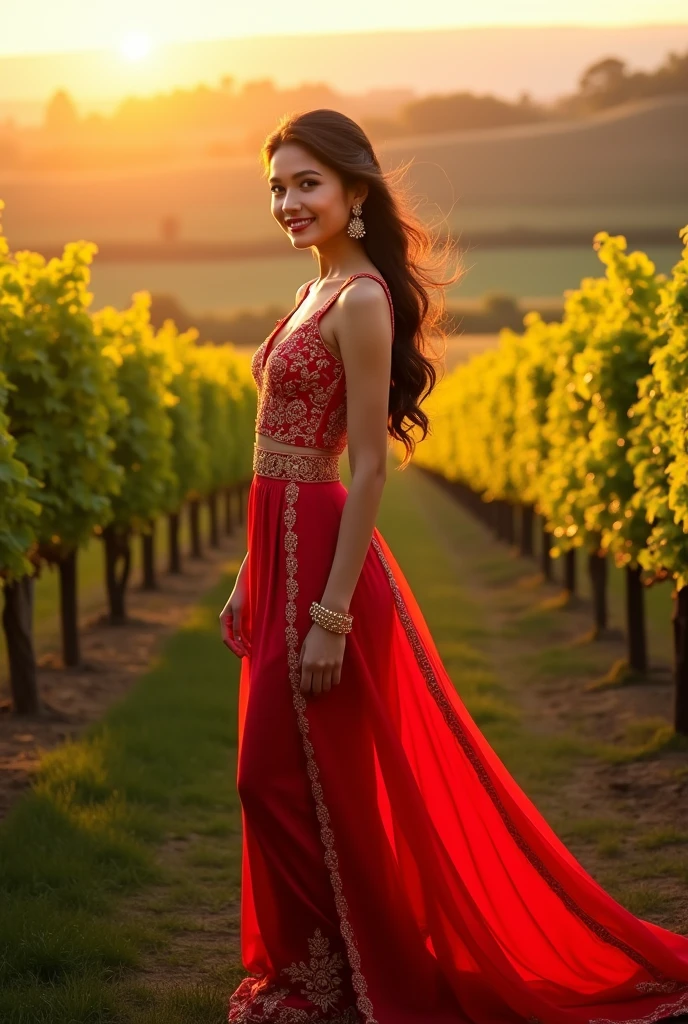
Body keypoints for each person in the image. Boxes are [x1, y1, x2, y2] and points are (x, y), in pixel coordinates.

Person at [219, 108, 688, 1024]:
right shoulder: (310, 294)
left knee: (284, 777)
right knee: (281, 777)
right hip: (275, 545)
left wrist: (331, 614)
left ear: (356, 192)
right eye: (277, 185)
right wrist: (248, 570)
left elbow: (366, 463)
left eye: (306, 182)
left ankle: (331, 986)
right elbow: (276, 450)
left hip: (320, 559)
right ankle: (309, 976)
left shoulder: (359, 300)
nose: (288, 201)